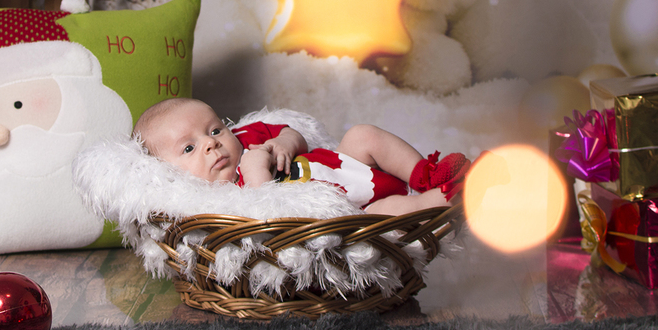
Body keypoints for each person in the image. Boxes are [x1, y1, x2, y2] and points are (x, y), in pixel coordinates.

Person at [134, 97, 469, 215]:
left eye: (214, 130)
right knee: (387, 217)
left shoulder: (247, 137)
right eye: (189, 148)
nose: (211, 144)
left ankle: (428, 174)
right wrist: (256, 175)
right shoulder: (218, 200)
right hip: (354, 210)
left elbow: (297, 133)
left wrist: (283, 144)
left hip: (346, 165)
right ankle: (447, 199)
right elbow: (270, 218)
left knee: (361, 135)